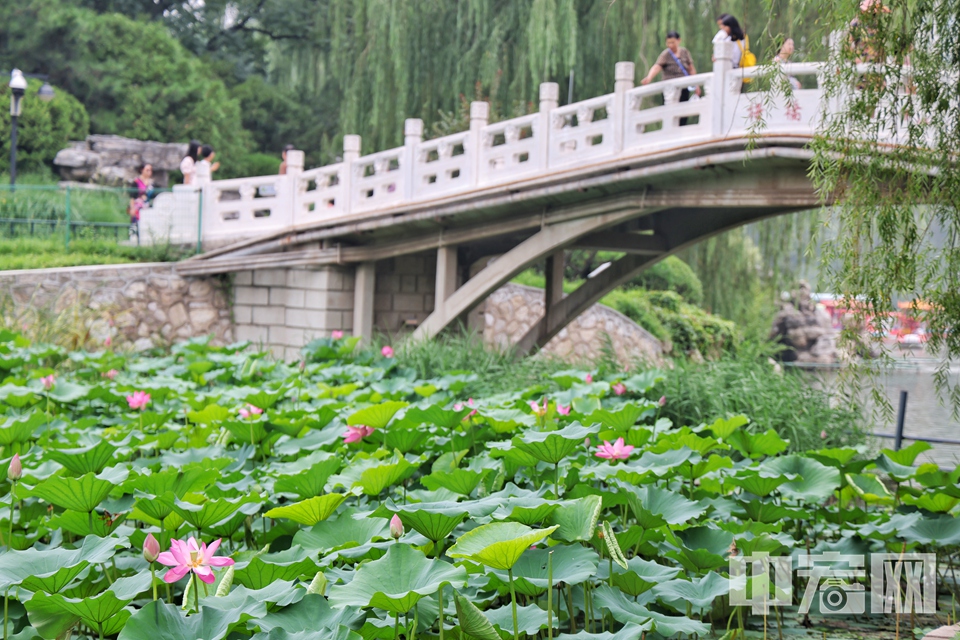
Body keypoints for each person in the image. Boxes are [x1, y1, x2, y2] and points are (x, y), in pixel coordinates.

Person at [640, 31, 699, 125]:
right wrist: (649, 77)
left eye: (672, 42)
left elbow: (691, 69)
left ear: (679, 41)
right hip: (670, 88)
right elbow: (657, 67)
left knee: (683, 108)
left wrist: (696, 85)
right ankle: (670, 127)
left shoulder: (684, 52)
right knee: (670, 109)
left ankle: (682, 127)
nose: (670, 45)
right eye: (668, 43)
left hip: (683, 86)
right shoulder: (666, 54)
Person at [127, 163, 154, 245]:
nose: (149, 172)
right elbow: (132, 196)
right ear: (142, 170)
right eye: (147, 170)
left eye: (150, 170)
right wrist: (132, 208)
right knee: (135, 221)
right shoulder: (136, 182)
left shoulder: (151, 183)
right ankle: (133, 237)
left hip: (148, 205)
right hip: (138, 205)